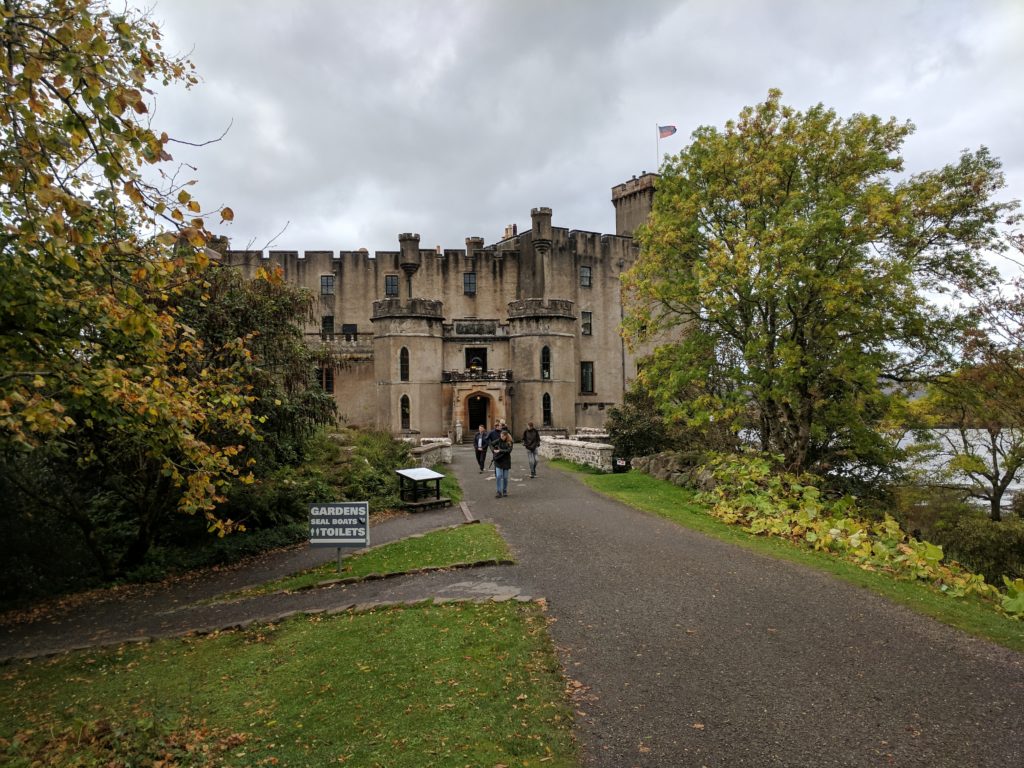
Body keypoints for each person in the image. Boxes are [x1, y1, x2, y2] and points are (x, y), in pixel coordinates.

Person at [492, 429, 513, 497]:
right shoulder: (498, 440)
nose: (502, 437)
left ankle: (504, 490)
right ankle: (498, 491)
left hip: (506, 461)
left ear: (506, 436)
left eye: (503, 436)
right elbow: (491, 444)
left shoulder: (510, 442)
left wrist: (500, 450)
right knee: (498, 476)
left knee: (505, 477)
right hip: (498, 461)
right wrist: (494, 450)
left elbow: (508, 451)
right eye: (501, 436)